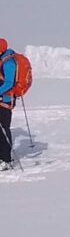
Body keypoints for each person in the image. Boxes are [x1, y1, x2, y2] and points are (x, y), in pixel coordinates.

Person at [0, 39, 17, 170]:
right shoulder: (3, 59)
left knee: (4, 129)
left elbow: (9, 82)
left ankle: (7, 160)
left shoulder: (8, 63)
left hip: (5, 101)